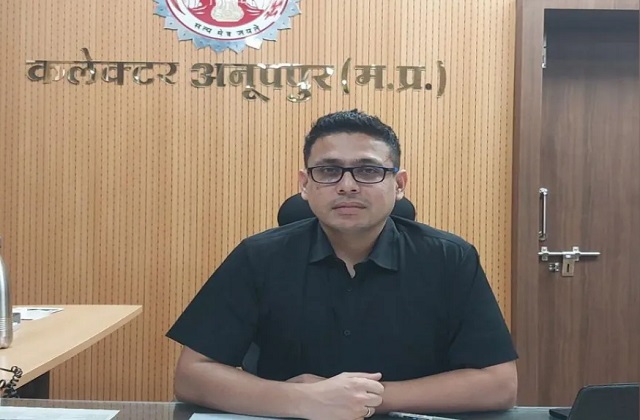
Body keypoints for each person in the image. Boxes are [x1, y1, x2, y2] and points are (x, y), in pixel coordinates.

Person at [166, 110, 518, 420]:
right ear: (305, 184)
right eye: (329, 171)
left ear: (399, 184)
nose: (347, 186)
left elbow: (499, 384)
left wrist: (364, 398)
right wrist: (303, 400)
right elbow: (192, 376)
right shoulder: (258, 256)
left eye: (368, 170)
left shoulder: (450, 258)